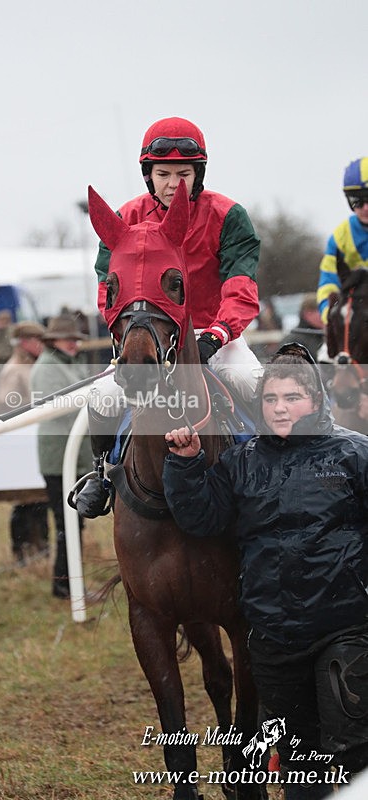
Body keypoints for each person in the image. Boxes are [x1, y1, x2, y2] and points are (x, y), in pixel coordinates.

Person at [162, 343, 368, 797]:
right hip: (273, 638)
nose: (280, 408)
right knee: (299, 758)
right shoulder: (242, 461)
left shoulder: (354, 454)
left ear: (315, 400)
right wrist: (186, 463)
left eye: (292, 398)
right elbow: (201, 518)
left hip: (345, 629)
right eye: (271, 399)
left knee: (349, 749)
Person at [75, 115, 262, 518]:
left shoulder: (229, 216)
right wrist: (127, 335)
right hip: (150, 337)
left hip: (216, 334)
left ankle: (275, 472)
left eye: (184, 172)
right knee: (104, 395)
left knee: (250, 379)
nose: (174, 182)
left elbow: (241, 288)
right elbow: (108, 289)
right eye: (163, 173)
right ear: (148, 175)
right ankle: (100, 475)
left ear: (199, 173)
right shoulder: (126, 217)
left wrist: (215, 335)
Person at [30, 314, 92, 599]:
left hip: (72, 456)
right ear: (53, 340)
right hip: (59, 458)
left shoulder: (65, 363)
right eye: (69, 339)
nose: (73, 344)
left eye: (76, 339)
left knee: (72, 523)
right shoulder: (47, 367)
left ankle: (67, 583)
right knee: (67, 523)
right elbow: (65, 404)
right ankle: (65, 584)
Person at [0, 321, 49, 564]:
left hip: (36, 438)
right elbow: (8, 406)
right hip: (22, 442)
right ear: (23, 343)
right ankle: (21, 549)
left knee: (40, 496)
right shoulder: (14, 370)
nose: (40, 344)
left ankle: (41, 545)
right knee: (23, 499)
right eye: (35, 340)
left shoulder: (35, 366)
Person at [317, 157, 368, 336]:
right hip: (355, 324)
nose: (366, 207)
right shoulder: (340, 237)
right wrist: (331, 314)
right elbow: (328, 284)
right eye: (357, 200)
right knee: (326, 356)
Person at [279, 293, 324, 362]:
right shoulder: (293, 341)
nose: (324, 315)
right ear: (307, 314)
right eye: (320, 311)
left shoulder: (326, 337)